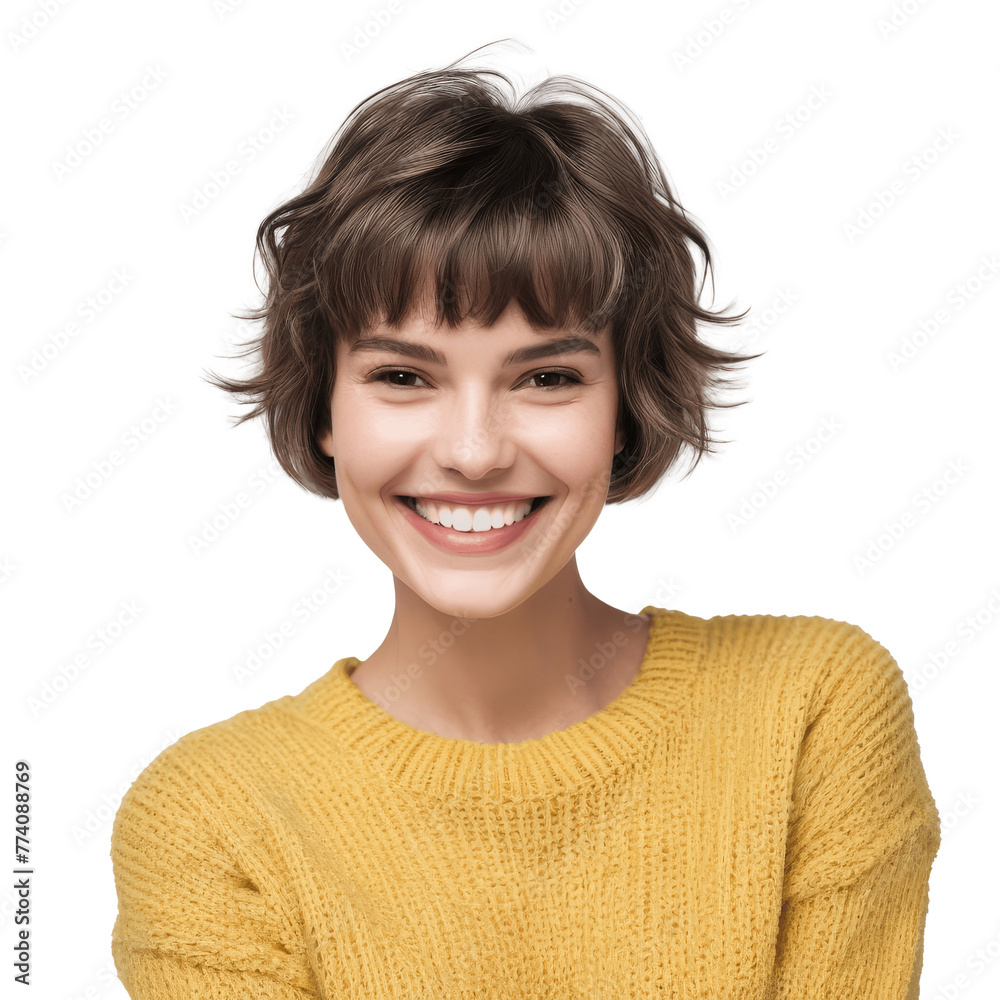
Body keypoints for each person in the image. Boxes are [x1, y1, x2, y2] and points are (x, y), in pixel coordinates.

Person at [109, 42, 941, 999]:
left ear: (626, 406)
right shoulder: (214, 816)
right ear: (327, 410)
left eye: (547, 378)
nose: (473, 450)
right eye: (402, 377)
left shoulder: (811, 709)